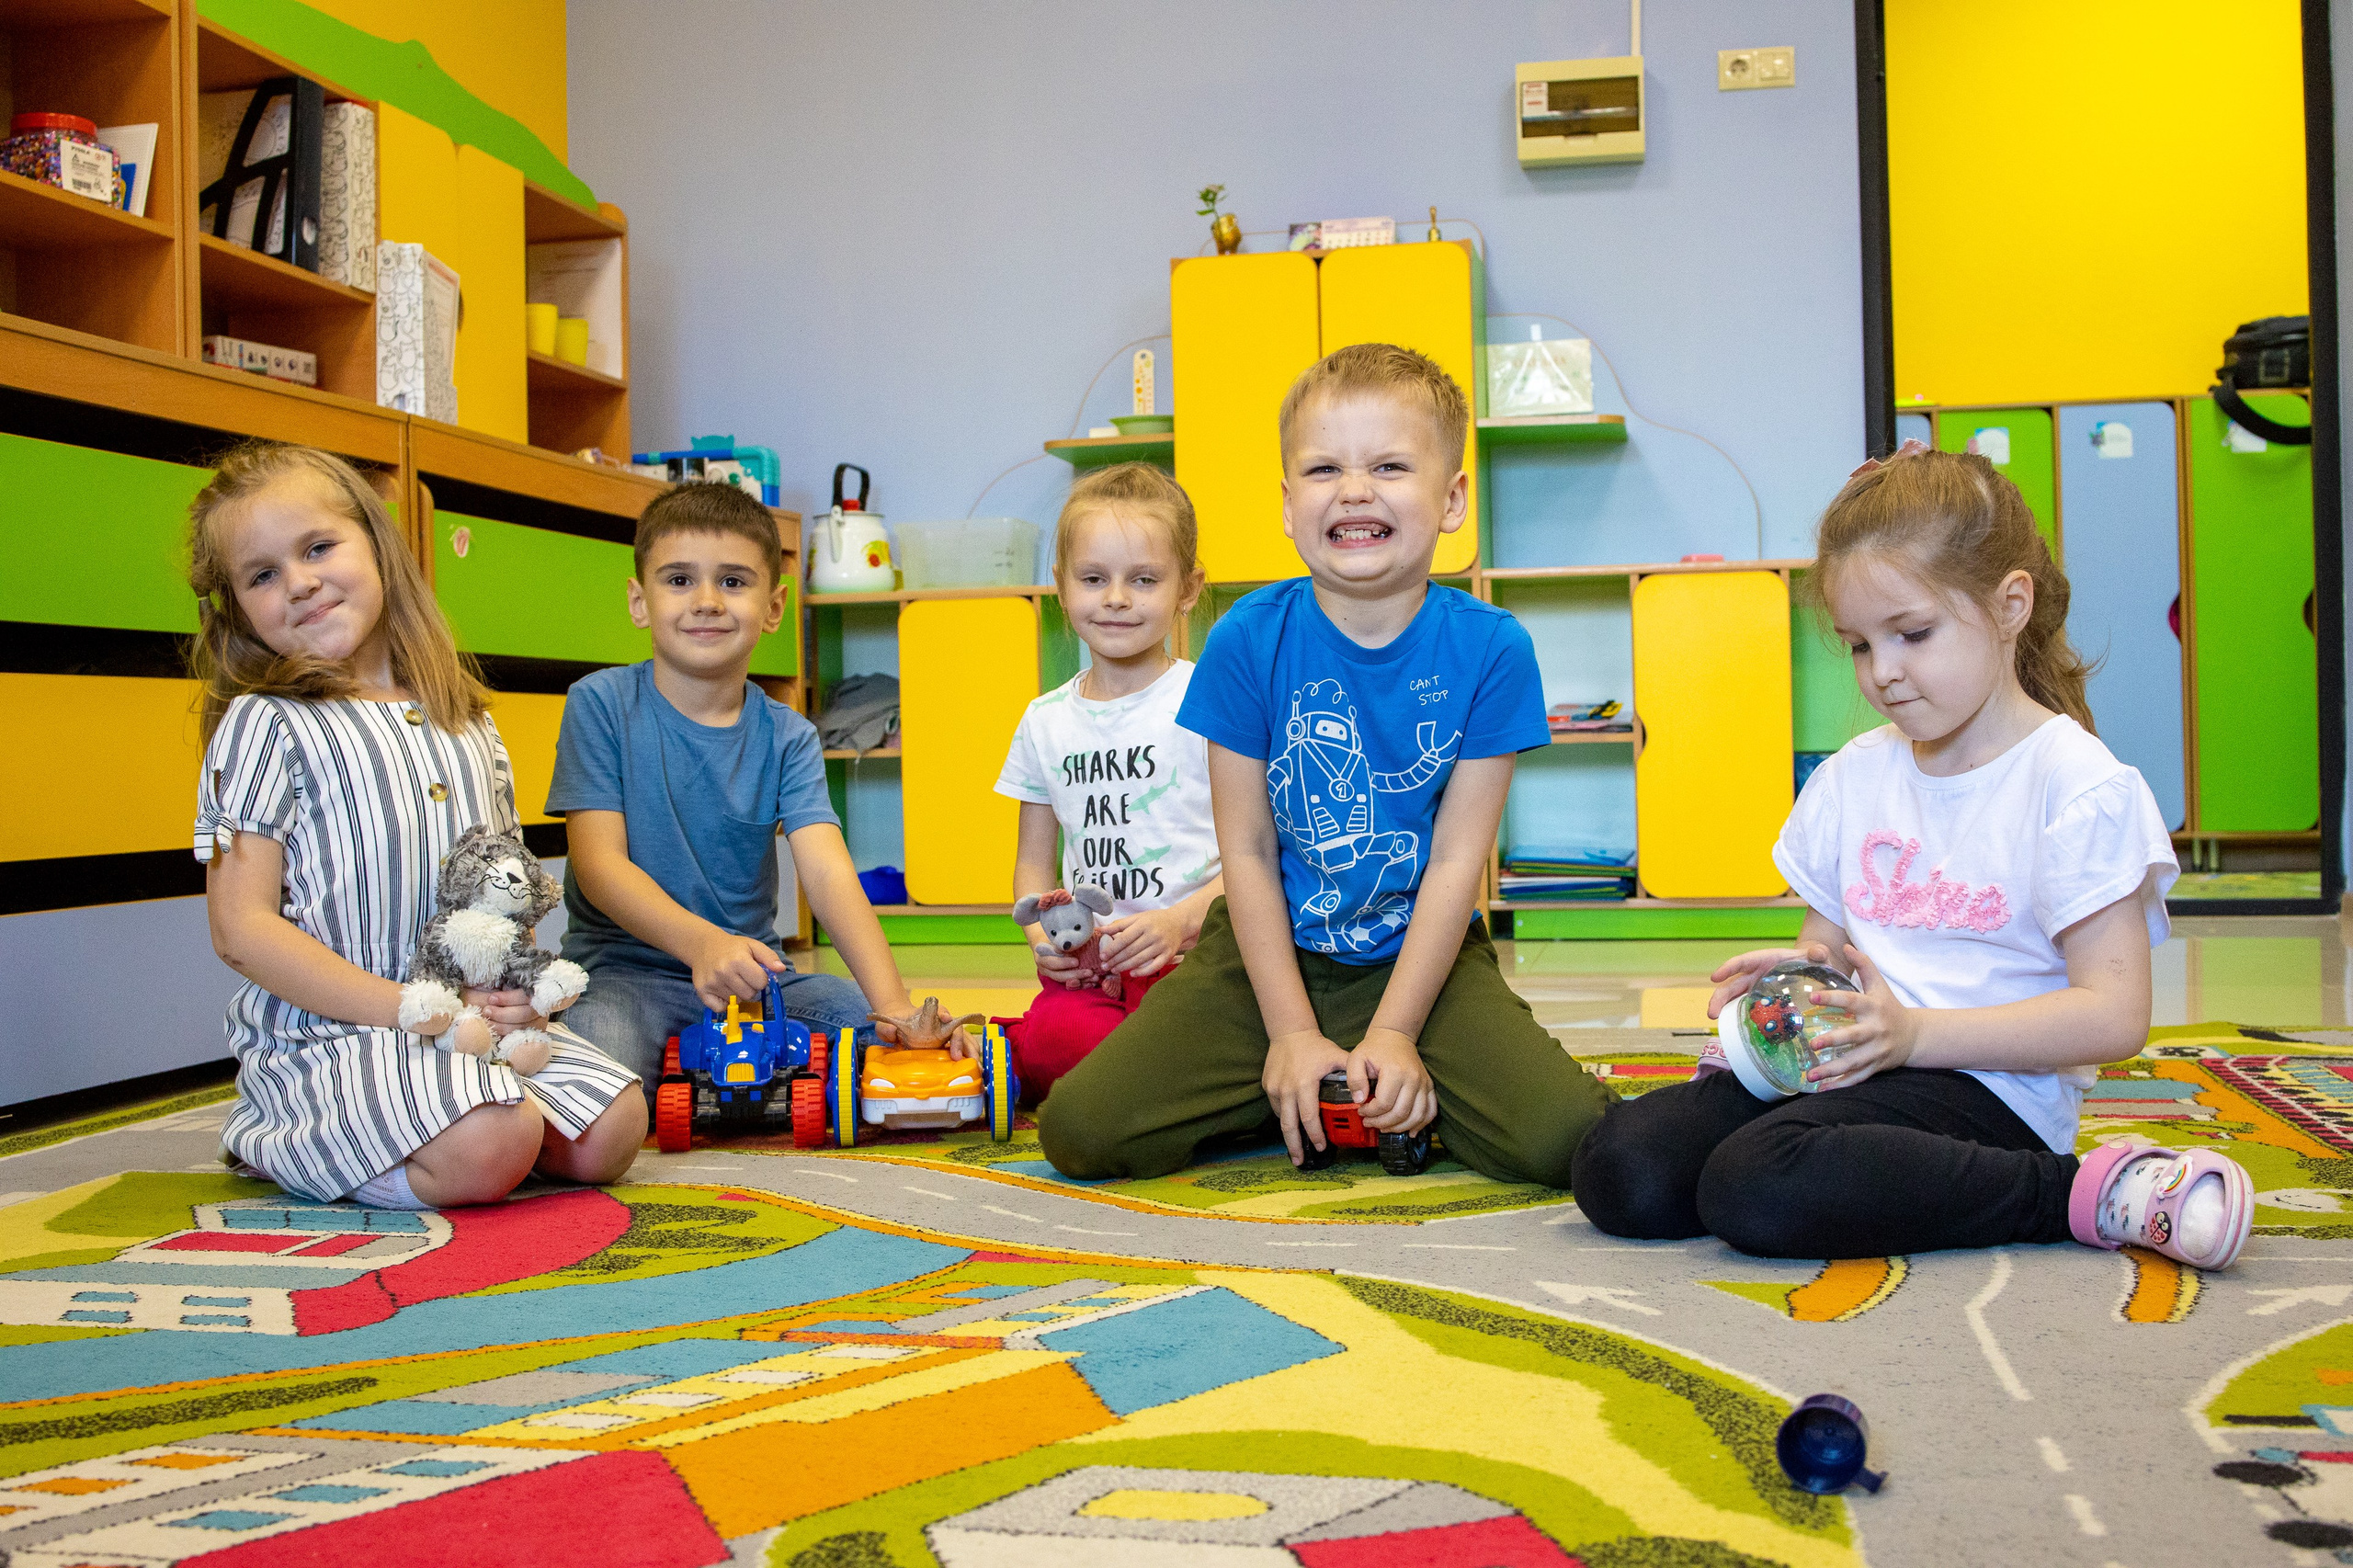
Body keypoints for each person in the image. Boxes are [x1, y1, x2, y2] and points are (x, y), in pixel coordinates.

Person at [1570, 442, 2254, 1268]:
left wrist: (1915, 1034)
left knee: (1755, 1185)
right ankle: (1842, 1158)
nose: (1883, 673)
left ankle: (2079, 1190)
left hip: (1989, 1090)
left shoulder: (2076, 786)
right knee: (1621, 1168)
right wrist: (1797, 979)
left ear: (2009, 607)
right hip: (1860, 1064)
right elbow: (1832, 949)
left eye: (1912, 634)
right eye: (1860, 645)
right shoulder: (1856, 775)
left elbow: (2114, 1017)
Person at [1038, 344, 1611, 1183]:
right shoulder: (1245, 640)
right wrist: (1293, 1034)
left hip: (1423, 954)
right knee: (1083, 1134)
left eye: (1388, 465)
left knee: (1566, 1141)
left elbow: (1457, 862)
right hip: (1264, 955)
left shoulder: (1494, 649)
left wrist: (1395, 1034)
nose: (1353, 489)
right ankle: (1307, 1085)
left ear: (1452, 500)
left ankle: (1375, 1083)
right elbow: (1249, 853)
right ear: (1286, 504)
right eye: (1322, 468)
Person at [192, 442, 645, 1210]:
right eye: (262, 575)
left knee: (615, 1130)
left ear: (375, 542)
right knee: (492, 1143)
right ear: (237, 608)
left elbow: (504, 897)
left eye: (318, 548)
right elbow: (241, 929)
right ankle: (287, 1137)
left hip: (470, 1024)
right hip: (335, 1036)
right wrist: (400, 1007)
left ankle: (450, 1120)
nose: (299, 583)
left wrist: (518, 997)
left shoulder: (463, 721)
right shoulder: (265, 724)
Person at [550, 482, 960, 1104]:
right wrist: (702, 944)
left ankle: (698, 1081)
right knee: (590, 1092)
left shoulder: (789, 735)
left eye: (734, 582)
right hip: (625, 976)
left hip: (756, 982)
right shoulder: (599, 704)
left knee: (864, 1037)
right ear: (640, 601)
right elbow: (598, 865)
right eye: (679, 580)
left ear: (774, 608)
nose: (707, 602)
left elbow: (826, 873)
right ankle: (677, 1083)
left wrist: (894, 1006)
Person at [995, 463, 1223, 1103]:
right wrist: (1045, 942)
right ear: (1061, 588)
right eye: (1094, 579)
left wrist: (1179, 922)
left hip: (1196, 967)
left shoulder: (1209, 701)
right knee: (1050, 1048)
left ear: (1187, 588)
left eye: (1143, 579)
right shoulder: (1044, 722)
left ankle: (1140, 1083)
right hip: (1088, 978)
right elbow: (1033, 869)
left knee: (1198, 1045)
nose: (1116, 598)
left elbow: (1257, 859)